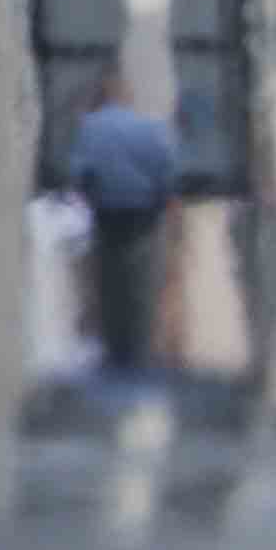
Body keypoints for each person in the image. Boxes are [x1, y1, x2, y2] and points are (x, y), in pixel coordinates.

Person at [65, 74, 180, 375]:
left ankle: (116, 348)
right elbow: (164, 166)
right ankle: (141, 345)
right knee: (142, 275)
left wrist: (89, 197)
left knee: (111, 279)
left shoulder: (91, 127)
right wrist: (159, 197)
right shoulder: (148, 126)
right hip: (143, 210)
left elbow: (81, 170)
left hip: (108, 209)